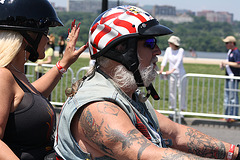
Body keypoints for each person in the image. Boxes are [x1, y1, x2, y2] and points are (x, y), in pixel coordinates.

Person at [54, 5, 240, 160]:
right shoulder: (98, 107)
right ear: (121, 49)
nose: (158, 51)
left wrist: (234, 152)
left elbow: (176, 134)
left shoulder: (126, 94)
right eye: (150, 43)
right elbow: (149, 155)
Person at [0, 0, 87, 159]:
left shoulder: (16, 74)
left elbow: (32, 98)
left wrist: (64, 63)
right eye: (45, 32)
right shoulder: (3, 75)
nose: (48, 39)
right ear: (28, 37)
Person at [159, 36, 187, 111]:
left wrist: (172, 70)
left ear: (174, 44)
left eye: (170, 43)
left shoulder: (181, 50)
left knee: (181, 92)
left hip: (180, 74)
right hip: (172, 75)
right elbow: (165, 59)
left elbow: (179, 62)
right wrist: (162, 69)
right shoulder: (168, 50)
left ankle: (182, 109)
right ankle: (173, 108)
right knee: (172, 91)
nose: (169, 44)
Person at [220, 36, 240, 122]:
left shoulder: (236, 52)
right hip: (229, 77)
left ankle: (234, 116)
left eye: (227, 43)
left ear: (232, 43)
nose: (226, 45)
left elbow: (238, 64)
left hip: (234, 77)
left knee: (233, 97)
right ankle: (227, 115)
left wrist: (226, 63)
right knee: (227, 97)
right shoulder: (230, 52)